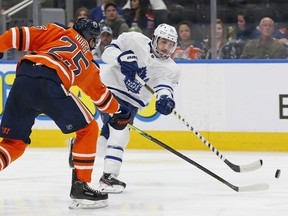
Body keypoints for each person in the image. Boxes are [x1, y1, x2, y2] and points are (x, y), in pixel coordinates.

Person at [0, 18, 131, 209]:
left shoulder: (57, 31)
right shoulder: (88, 60)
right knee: (88, 129)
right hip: (51, 82)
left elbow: (16, 35)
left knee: (14, 143)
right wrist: (119, 111)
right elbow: (101, 98)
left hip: (24, 78)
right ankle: (81, 188)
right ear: (91, 40)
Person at [69, 23, 180, 193]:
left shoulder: (171, 68)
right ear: (155, 39)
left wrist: (166, 99)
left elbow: (164, 86)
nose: (166, 47)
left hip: (133, 103)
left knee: (107, 139)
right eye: (163, 42)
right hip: (111, 91)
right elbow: (107, 53)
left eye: (170, 44)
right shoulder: (134, 39)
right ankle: (108, 177)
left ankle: (79, 146)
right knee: (120, 132)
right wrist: (121, 57)